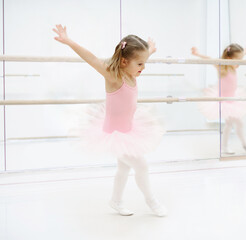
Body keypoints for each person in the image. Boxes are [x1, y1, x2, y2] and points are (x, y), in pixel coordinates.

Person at [53, 24, 167, 217]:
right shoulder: (114, 76)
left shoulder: (131, 72)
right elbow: (91, 58)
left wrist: (149, 50)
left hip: (129, 130)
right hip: (115, 134)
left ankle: (115, 201)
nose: (143, 67)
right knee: (141, 166)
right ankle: (151, 201)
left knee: (123, 168)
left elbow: (139, 58)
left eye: (144, 63)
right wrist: (68, 40)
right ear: (123, 62)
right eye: (140, 64)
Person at [191, 44, 246, 155]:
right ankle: (241, 145)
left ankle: (229, 146)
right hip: (225, 101)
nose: (239, 63)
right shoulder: (222, 66)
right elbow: (209, 59)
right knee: (235, 123)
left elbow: (240, 55)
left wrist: (245, 52)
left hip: (233, 99)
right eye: (238, 60)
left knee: (231, 124)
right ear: (229, 59)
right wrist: (197, 54)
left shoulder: (233, 66)